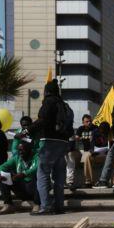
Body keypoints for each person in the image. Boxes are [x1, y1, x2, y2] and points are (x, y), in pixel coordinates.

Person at [26, 80, 72, 215]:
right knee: (59, 176)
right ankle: (59, 206)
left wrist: (26, 131)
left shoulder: (49, 101)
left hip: (48, 141)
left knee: (43, 174)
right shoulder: (64, 105)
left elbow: (42, 120)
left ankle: (45, 206)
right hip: (62, 142)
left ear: (47, 91)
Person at [0, 141, 39, 215]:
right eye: (19, 150)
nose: (20, 152)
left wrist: (24, 174)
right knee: (3, 176)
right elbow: (2, 166)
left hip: (34, 189)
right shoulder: (17, 157)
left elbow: (36, 168)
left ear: (29, 150)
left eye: (22, 150)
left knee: (38, 176)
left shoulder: (37, 156)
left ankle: (37, 204)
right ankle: (8, 204)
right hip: (23, 189)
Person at [65, 114, 97, 188]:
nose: (89, 123)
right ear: (83, 122)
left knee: (86, 157)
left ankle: (88, 181)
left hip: (89, 150)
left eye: (90, 121)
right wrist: (76, 138)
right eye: (87, 121)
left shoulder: (95, 128)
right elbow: (76, 137)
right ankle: (70, 181)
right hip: (80, 150)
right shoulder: (80, 129)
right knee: (69, 155)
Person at [82, 121, 110, 187]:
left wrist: (109, 151)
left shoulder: (110, 134)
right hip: (96, 154)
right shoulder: (95, 133)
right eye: (102, 131)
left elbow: (112, 145)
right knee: (87, 157)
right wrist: (92, 152)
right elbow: (91, 145)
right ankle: (88, 181)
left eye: (105, 131)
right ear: (100, 129)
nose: (103, 133)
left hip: (108, 155)